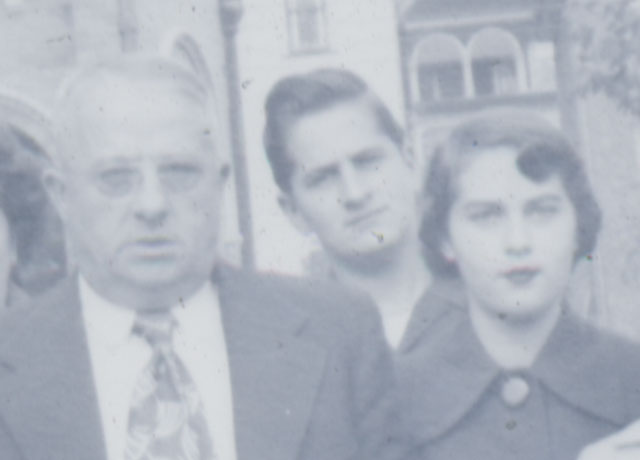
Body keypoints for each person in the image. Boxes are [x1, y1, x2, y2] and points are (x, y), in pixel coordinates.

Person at [0, 57, 398, 460]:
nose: (152, 204)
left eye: (179, 173)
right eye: (116, 179)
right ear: (61, 195)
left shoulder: (338, 332)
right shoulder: (10, 359)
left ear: (219, 184)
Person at [398, 109, 640, 460]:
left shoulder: (631, 378)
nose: (517, 241)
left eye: (542, 211)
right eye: (486, 216)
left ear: (578, 226)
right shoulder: (395, 400)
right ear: (445, 238)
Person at [263, 68, 441, 350]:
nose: (355, 193)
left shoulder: (490, 306)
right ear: (293, 211)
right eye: (323, 178)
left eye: (368, 162)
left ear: (410, 162)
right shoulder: (285, 349)